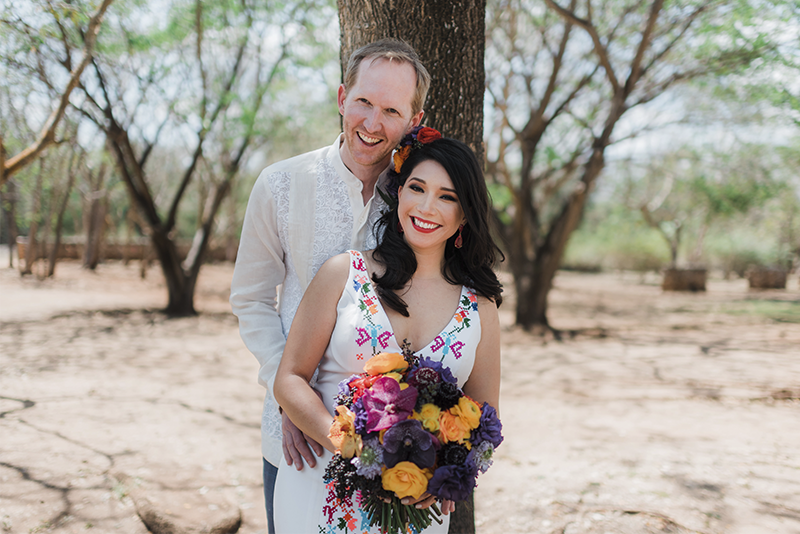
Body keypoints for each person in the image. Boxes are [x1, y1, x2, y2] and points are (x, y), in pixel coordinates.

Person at [229, 38, 430, 534]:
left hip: (395, 443)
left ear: (414, 120)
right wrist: (288, 394)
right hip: (295, 437)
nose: (371, 122)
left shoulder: (422, 201)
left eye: (391, 110)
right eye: (363, 101)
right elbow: (250, 298)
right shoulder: (280, 184)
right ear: (342, 97)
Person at [272, 136, 503, 533]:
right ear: (398, 194)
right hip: (322, 485)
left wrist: (450, 472)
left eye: (447, 197)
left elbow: (483, 419)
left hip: (416, 505)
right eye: (417, 188)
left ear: (464, 215)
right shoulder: (343, 274)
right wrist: (350, 448)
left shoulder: (480, 309)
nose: (426, 207)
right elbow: (289, 379)